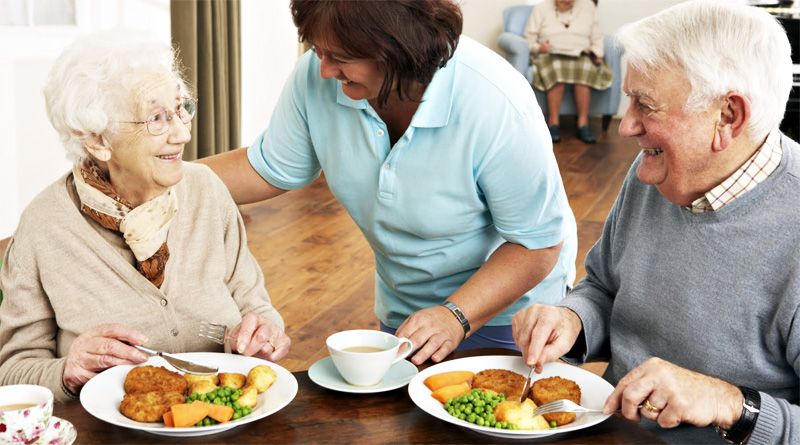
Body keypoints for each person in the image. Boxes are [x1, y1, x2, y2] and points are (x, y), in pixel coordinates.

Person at [201, 0, 577, 366]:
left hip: (511, 314)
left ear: (397, 50)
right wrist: (172, 177)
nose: (325, 70)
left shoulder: (495, 101)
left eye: (341, 57)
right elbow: (268, 167)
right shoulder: (317, 77)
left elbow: (537, 244)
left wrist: (456, 315)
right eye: (318, 50)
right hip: (407, 309)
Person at [512, 1, 797, 443]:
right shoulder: (657, 169)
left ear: (728, 116)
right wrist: (573, 320)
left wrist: (729, 404)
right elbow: (604, 286)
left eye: (645, 105)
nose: (626, 126)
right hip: (612, 431)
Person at [0, 33, 290, 402]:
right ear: (98, 140)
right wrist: (66, 371)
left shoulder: (206, 190)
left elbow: (255, 305)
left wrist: (264, 334)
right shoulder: (43, 226)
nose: (182, 133)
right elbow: (12, 372)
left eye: (181, 109)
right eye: (157, 118)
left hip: (223, 416)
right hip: (110, 428)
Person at [524, 0, 613, 144]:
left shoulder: (588, 6)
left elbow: (597, 36)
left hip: (580, 54)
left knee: (585, 69)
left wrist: (597, 53)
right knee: (556, 69)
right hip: (550, 54)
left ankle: (583, 124)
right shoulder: (541, 8)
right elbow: (528, 39)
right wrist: (539, 47)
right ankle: (553, 122)